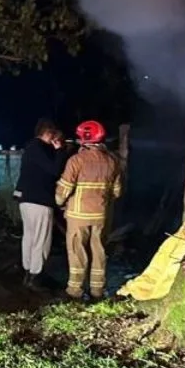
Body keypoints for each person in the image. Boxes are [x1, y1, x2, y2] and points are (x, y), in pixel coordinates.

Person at [55, 120, 123, 301]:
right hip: (101, 215)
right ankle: (97, 290)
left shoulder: (76, 160)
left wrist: (60, 202)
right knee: (99, 250)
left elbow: (63, 191)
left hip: (78, 215)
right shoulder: (112, 161)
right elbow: (117, 191)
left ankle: (75, 290)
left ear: (84, 139)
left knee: (77, 251)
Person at [15, 119, 66, 288]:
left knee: (29, 237)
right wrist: (60, 151)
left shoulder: (31, 148)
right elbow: (54, 170)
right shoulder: (38, 149)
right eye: (54, 136)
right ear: (48, 133)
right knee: (41, 240)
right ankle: (36, 275)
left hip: (28, 201)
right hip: (40, 201)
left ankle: (27, 270)